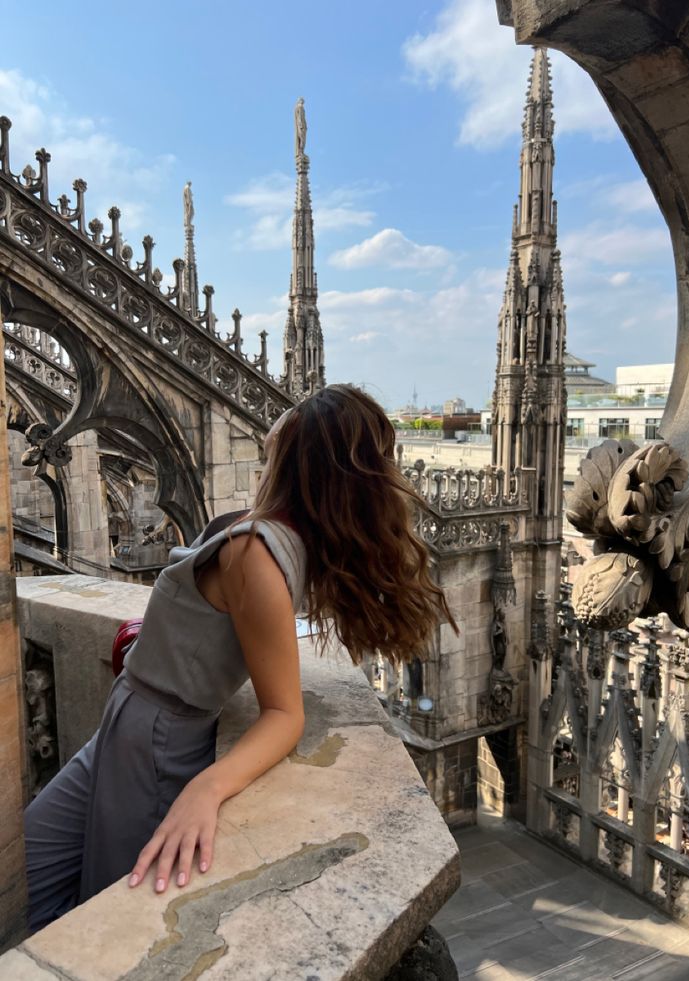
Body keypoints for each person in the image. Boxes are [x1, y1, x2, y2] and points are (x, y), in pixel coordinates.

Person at [24, 384, 456, 931]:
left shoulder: (256, 551)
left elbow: (285, 713)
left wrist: (206, 788)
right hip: (129, 723)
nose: (264, 451)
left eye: (274, 445)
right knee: (26, 869)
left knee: (106, 913)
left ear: (297, 462)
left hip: (157, 740)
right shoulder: (280, 538)